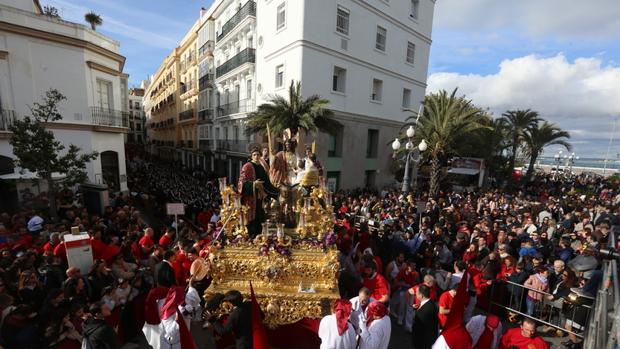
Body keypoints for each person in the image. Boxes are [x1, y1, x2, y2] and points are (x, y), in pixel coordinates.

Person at [238, 147, 279, 236]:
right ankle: (250, 237)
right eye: (254, 155)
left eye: (258, 155)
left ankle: (259, 236)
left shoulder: (261, 167)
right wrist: (254, 184)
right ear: (251, 156)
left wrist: (277, 192)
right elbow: (241, 183)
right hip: (250, 198)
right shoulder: (247, 166)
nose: (256, 156)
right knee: (251, 220)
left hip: (259, 198)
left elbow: (267, 184)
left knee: (259, 217)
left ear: (260, 156)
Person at [412, 284, 439, 349]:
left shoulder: (424, 311)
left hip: (422, 342)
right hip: (430, 338)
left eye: (417, 293)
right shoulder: (432, 304)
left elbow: (418, 329)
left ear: (421, 295)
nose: (415, 295)